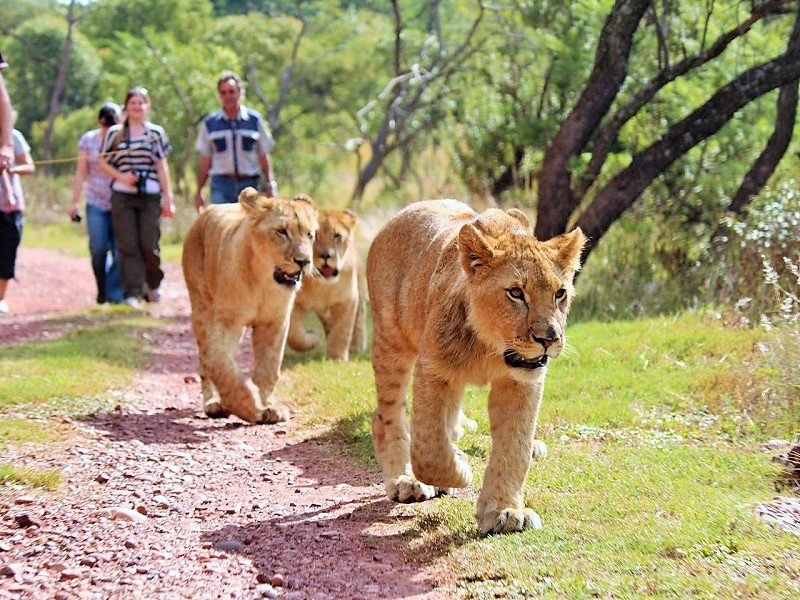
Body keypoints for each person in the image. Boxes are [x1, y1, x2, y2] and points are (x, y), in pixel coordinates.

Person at [99, 87, 175, 308]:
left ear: (147, 106)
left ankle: (152, 284)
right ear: (126, 106)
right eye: (133, 102)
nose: (137, 107)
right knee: (127, 244)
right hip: (123, 195)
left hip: (150, 194)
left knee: (149, 243)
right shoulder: (115, 133)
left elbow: (162, 166)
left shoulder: (155, 134)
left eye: (141, 103)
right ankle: (132, 291)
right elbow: (102, 162)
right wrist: (121, 177)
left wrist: (168, 197)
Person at [193, 71, 277, 212]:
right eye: (223, 92)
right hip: (221, 184)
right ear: (219, 95)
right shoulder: (210, 123)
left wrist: (270, 185)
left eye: (231, 92)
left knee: (249, 228)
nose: (228, 96)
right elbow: (206, 160)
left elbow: (263, 155)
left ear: (240, 92)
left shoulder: (254, 120)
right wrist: (199, 190)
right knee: (221, 228)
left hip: (249, 184)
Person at [69, 102, 124, 304]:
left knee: (120, 251)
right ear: (100, 120)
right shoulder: (88, 140)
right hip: (96, 202)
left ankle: (113, 292)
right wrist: (74, 202)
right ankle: (102, 289)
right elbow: (81, 173)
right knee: (98, 249)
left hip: (120, 202)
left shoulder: (124, 138)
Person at [0, 111, 35, 314]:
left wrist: (12, 169)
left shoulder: (14, 137)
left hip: (10, 205)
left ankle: (1, 297)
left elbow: (29, 166)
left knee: (7, 251)